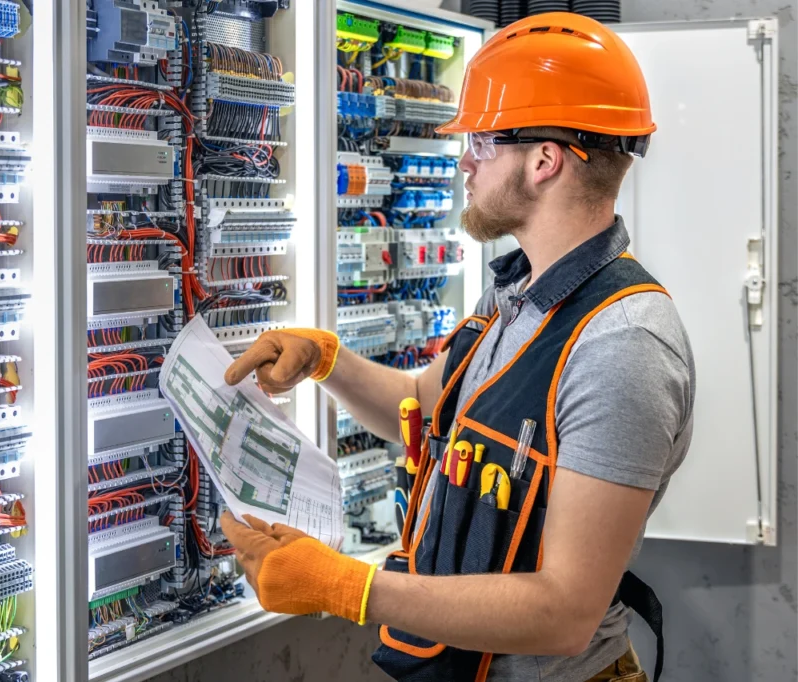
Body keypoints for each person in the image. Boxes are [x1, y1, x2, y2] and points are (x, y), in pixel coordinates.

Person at [218, 11, 695, 682]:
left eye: (480, 141)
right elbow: (422, 403)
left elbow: (564, 612)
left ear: (544, 160)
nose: (463, 159)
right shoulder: (515, 295)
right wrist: (327, 361)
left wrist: (348, 588)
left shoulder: (623, 346)